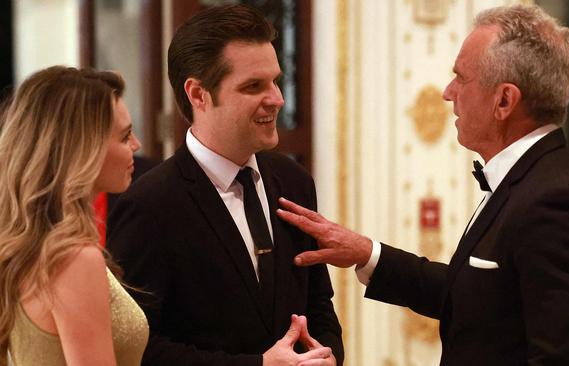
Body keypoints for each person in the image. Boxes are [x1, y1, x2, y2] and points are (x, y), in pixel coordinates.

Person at [277, 4, 569, 366]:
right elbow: (478, 298)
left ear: (504, 100)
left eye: (461, 77)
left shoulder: (560, 202)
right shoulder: (535, 180)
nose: (447, 91)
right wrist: (367, 254)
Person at [106, 4, 343, 366]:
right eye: (254, 86)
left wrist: (327, 357)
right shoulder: (148, 204)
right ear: (198, 94)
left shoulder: (293, 181)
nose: (277, 98)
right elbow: (139, 347)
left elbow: (319, 307)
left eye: (276, 81)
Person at [0, 66, 148, 366]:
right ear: (83, 149)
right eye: (125, 136)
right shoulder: (74, 258)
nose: (137, 145)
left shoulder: (35, 246)